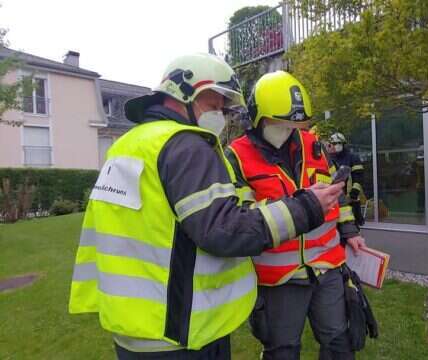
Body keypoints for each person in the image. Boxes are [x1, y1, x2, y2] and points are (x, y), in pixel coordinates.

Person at [68, 54, 343, 359]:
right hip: (181, 327)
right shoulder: (186, 146)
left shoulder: (127, 145)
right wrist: (307, 206)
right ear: (187, 94)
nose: (221, 115)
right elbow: (224, 230)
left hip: (132, 326)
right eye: (215, 106)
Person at [226, 71, 366, 360]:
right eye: (280, 123)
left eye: (294, 124)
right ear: (257, 118)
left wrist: (350, 231)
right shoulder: (236, 156)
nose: (289, 130)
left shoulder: (313, 144)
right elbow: (241, 218)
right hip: (279, 278)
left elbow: (335, 191)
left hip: (328, 267)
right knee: (283, 350)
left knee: (339, 341)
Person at [326, 132, 366, 226]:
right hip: (335, 198)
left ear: (340, 144)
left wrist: (354, 192)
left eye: (333, 144)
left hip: (351, 199)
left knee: (351, 224)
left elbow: (359, 177)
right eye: (330, 145)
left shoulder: (352, 158)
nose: (331, 147)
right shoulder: (330, 158)